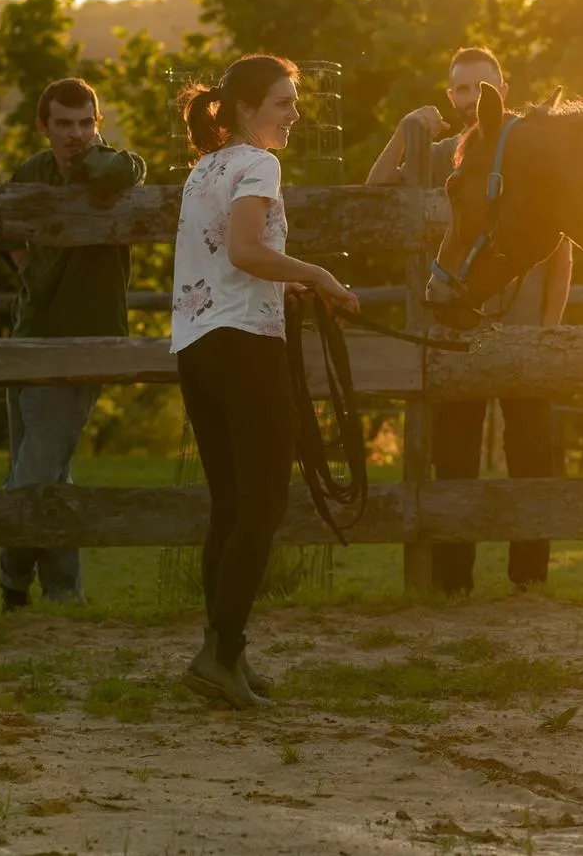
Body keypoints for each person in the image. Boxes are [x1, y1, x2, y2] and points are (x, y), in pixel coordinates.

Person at [170, 54, 360, 708]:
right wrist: (318, 276)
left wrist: (288, 287)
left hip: (197, 344)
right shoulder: (257, 164)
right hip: (244, 346)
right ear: (248, 108)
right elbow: (248, 250)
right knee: (262, 502)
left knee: (230, 503)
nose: (294, 114)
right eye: (283, 102)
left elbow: (233, 261)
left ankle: (225, 652)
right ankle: (219, 654)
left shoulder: (205, 170)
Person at [367, 46, 573, 593]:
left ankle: (529, 576)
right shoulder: (440, 154)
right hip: (456, 330)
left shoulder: (528, 153)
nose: (470, 100)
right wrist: (404, 131)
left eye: (481, 89)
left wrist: (549, 331)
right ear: (450, 94)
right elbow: (376, 188)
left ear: (502, 91)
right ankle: (452, 578)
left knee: (532, 455)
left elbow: (561, 252)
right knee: (454, 455)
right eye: (461, 89)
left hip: (525, 329)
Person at [0, 78, 147, 612]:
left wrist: (84, 159)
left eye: (86, 123)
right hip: (30, 329)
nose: (76, 134)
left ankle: (12, 571)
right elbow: (6, 230)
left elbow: (129, 168)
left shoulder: (109, 167)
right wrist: (34, 275)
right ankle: (62, 591)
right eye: (64, 124)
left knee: (37, 468)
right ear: (43, 126)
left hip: (85, 334)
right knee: (48, 465)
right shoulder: (31, 172)